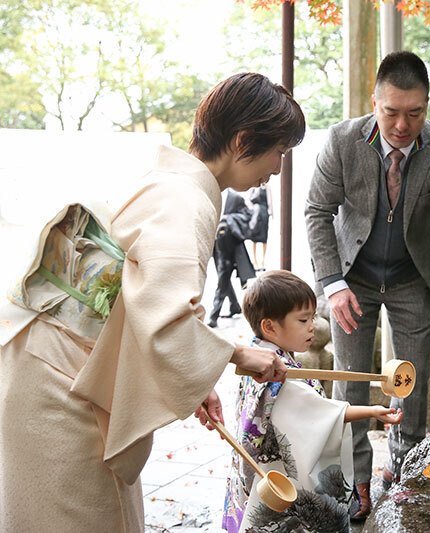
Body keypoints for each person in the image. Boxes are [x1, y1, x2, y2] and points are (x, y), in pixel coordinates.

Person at [0, 72, 304, 532]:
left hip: (54, 361)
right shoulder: (187, 199)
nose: (278, 168)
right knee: (83, 515)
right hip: (61, 378)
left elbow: (146, 302)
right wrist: (239, 354)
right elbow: (167, 322)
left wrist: (194, 377)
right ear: (243, 140)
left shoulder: (170, 179)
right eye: (278, 151)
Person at [305, 51, 430, 520]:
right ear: (374, 101)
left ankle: (404, 474)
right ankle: (357, 482)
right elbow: (317, 213)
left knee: (410, 385)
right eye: (392, 111)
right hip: (351, 279)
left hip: (410, 279)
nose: (403, 124)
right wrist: (332, 283)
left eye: (415, 113)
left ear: (427, 106)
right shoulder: (341, 141)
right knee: (351, 383)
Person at [223, 270, 403, 532]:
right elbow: (325, 415)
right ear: (270, 326)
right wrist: (374, 411)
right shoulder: (278, 374)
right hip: (277, 477)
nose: (313, 327)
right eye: (303, 319)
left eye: (314, 317)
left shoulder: (255, 354)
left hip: (257, 470)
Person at [208, 191, 256, 328]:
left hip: (227, 251)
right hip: (218, 249)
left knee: (222, 282)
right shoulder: (212, 196)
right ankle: (234, 306)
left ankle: (213, 316)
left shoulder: (233, 203)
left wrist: (228, 220)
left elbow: (247, 218)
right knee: (223, 281)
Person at [247, 183, 272, 270]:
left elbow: (270, 201)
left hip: (264, 214)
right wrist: (252, 212)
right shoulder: (253, 188)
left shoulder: (267, 188)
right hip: (255, 215)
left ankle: (263, 261)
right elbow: (249, 201)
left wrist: (271, 213)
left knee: (264, 238)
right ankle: (255, 261)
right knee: (254, 238)